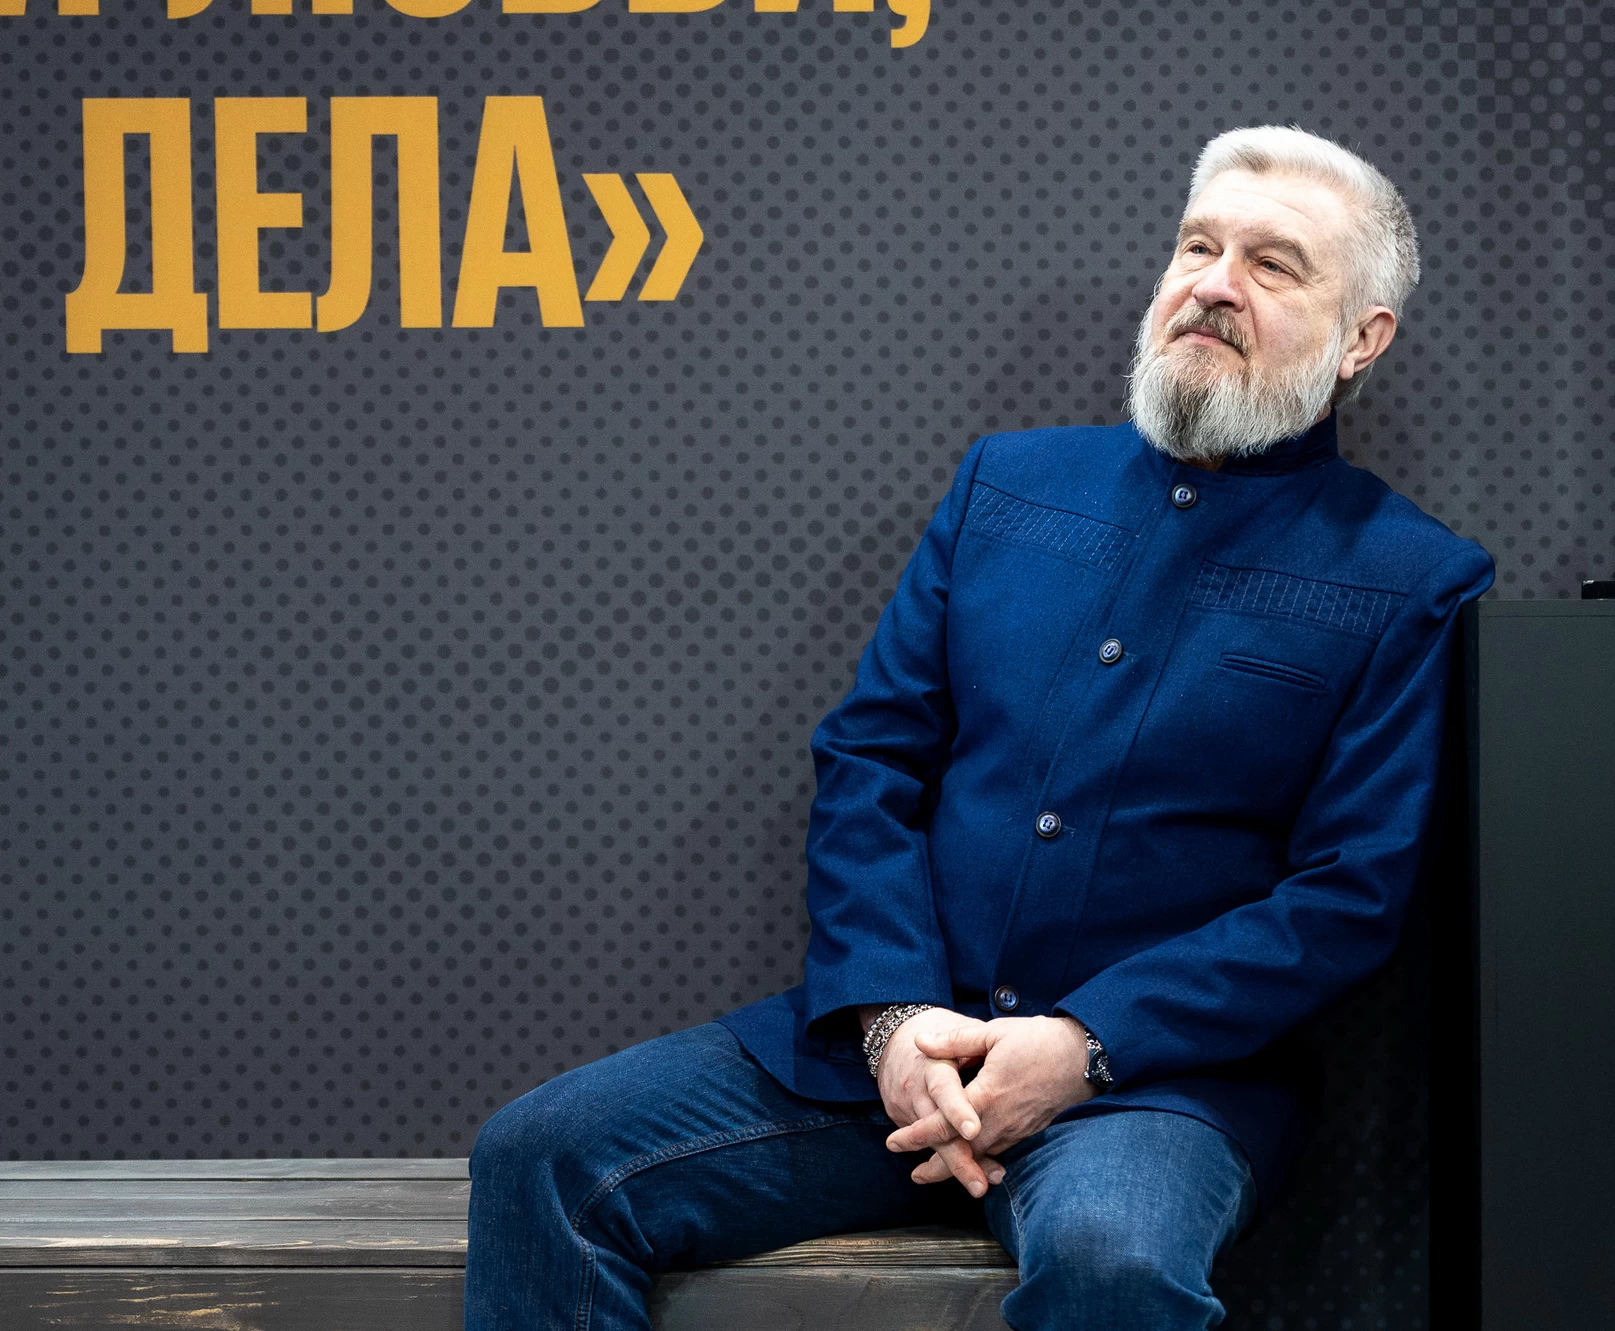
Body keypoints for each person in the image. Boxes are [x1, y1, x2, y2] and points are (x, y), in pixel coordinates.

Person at [463, 123, 1495, 1331]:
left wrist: (1085, 1042)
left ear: (1362, 337)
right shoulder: (1005, 486)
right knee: (541, 1151)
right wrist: (893, 1018)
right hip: (884, 1056)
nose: (1214, 285)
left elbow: (1347, 895)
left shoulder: (1411, 576)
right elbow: (870, 760)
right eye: (1196, 247)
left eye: (1272, 265)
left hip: (1153, 1087)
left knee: (1112, 1262)